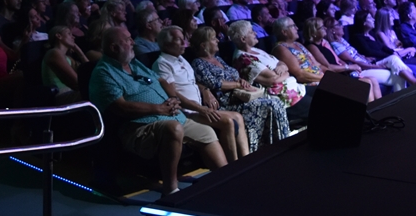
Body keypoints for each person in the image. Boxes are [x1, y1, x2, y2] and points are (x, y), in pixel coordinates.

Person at [88, 26, 226, 196]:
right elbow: (120, 107)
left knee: (206, 131)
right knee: (173, 128)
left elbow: (161, 80)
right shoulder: (104, 73)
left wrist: (173, 98)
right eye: (128, 40)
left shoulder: (134, 64)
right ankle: (171, 190)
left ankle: (225, 180)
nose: (133, 42)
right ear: (114, 47)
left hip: (172, 116)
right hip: (139, 127)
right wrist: (159, 108)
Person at [154, 25, 247, 162]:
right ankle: (234, 166)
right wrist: (201, 109)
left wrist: (205, 90)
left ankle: (246, 160)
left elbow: (193, 82)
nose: (184, 42)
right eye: (178, 40)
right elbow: (173, 94)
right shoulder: (162, 64)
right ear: (167, 44)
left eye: (183, 39)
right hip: (186, 112)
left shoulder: (181, 59)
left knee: (237, 117)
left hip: (198, 108)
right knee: (227, 122)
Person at [189, 25, 290, 151]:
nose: (218, 40)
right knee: (272, 104)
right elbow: (215, 83)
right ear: (204, 45)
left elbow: (232, 75)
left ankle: (279, 144)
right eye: (214, 39)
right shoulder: (198, 63)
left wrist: (239, 80)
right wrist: (237, 84)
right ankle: (270, 148)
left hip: (239, 97)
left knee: (276, 102)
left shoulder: (218, 59)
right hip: (227, 103)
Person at [229, 20, 308, 113]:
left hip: (295, 87)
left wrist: (282, 67)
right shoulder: (243, 59)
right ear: (243, 39)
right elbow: (273, 80)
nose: (255, 33)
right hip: (284, 98)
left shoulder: (255, 50)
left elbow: (281, 63)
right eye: (251, 32)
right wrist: (286, 72)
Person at [300, 18, 382, 101]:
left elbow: (337, 59)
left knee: (373, 80)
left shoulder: (324, 41)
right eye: (321, 27)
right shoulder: (312, 47)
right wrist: (349, 67)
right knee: (367, 83)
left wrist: (350, 69)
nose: (325, 28)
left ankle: (381, 108)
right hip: (332, 78)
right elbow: (328, 67)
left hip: (341, 72)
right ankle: (372, 109)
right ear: (313, 32)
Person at [325, 19, 416, 90]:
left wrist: (366, 58)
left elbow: (356, 55)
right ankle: (415, 85)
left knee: (393, 58)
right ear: (333, 30)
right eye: (339, 24)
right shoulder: (335, 45)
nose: (342, 26)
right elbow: (354, 62)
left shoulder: (342, 40)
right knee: (399, 75)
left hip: (367, 63)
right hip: (361, 70)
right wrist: (376, 66)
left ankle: (415, 85)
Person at [41, 26, 88, 104]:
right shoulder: (53, 53)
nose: (73, 37)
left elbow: (90, 70)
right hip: (62, 95)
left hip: (72, 92)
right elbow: (76, 82)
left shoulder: (68, 58)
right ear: (59, 36)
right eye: (69, 34)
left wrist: (79, 51)